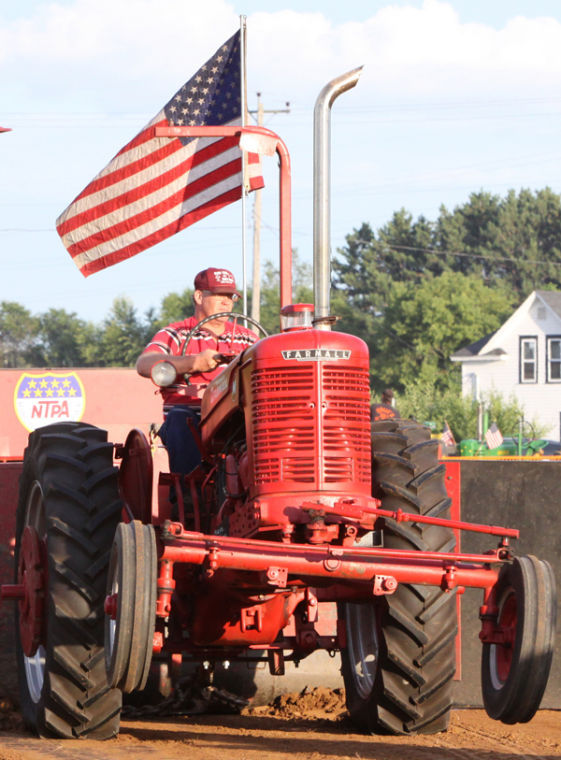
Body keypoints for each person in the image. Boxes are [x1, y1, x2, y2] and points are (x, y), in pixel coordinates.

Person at [136, 267, 258, 475]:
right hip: (191, 421)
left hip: (234, 423)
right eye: (219, 295)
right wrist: (193, 363)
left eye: (230, 296)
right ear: (199, 296)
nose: (226, 302)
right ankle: (188, 495)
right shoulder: (176, 334)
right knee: (179, 418)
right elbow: (144, 364)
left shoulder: (247, 338)